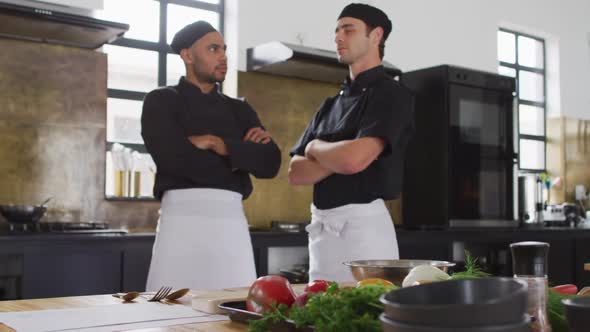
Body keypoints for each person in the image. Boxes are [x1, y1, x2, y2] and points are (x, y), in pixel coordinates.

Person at [141, 21, 281, 290]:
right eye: (213, 49)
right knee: (171, 315)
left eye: (224, 50)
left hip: (232, 228)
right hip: (179, 227)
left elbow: (270, 163)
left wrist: (218, 145)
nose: (223, 57)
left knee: (233, 312)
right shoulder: (161, 101)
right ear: (188, 55)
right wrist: (240, 154)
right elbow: (172, 159)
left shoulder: (240, 109)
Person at [288, 3, 414, 282]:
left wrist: (315, 148)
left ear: (376, 35)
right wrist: (342, 156)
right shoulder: (329, 104)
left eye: (348, 29)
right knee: (320, 318)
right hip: (322, 236)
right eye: (336, 31)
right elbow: (295, 173)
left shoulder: (392, 95)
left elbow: (354, 159)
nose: (338, 37)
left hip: (365, 233)